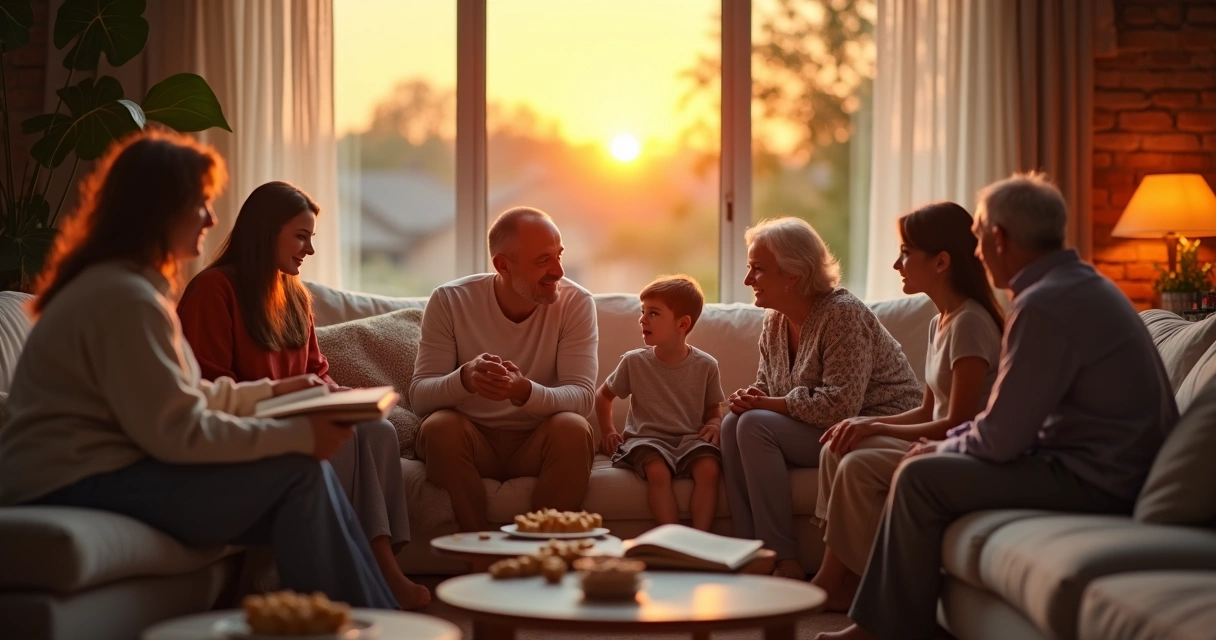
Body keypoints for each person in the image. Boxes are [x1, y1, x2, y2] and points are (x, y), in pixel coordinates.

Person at [0, 129, 397, 609]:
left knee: (303, 474)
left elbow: (188, 394)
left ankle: (359, 617)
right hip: (74, 479)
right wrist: (299, 437)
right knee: (300, 473)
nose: (211, 217)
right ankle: (365, 620)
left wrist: (273, 393)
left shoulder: (128, 289)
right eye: (200, 203)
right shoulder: (123, 299)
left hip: (98, 470)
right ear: (159, 209)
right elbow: (179, 432)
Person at [821, 172, 1178, 640]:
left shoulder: (1046, 304)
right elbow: (1014, 425)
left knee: (919, 476)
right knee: (917, 467)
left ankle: (886, 628)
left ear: (1000, 238)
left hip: (1097, 480)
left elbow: (1000, 435)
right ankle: (883, 617)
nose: (976, 250)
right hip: (1100, 467)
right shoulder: (1079, 285)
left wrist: (941, 448)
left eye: (979, 237)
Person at [176, 181, 430, 609]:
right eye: (301, 236)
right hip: (249, 430)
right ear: (265, 232)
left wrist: (351, 401)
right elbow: (211, 386)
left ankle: (379, 561)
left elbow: (317, 374)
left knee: (379, 431)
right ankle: (379, 574)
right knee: (347, 439)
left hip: (296, 417)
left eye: (311, 238)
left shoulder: (294, 296)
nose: (309, 250)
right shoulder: (214, 290)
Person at [810, 202, 1004, 611]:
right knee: (837, 445)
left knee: (857, 463)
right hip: (935, 435)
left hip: (961, 450)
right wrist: (864, 421)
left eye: (905, 253)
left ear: (941, 261)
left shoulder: (971, 323)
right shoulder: (939, 321)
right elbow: (925, 409)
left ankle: (875, 595)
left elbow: (958, 421)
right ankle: (841, 580)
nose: (897, 264)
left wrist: (876, 429)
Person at [721, 217, 922, 581]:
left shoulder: (842, 314)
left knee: (751, 424)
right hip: (824, 426)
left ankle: (783, 559)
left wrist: (765, 406)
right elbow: (768, 386)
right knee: (733, 421)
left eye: (757, 270)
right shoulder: (774, 322)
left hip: (875, 429)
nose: (749, 280)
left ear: (792, 275)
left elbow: (840, 406)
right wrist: (754, 396)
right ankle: (749, 551)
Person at [409, 206, 598, 532]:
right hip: (472, 442)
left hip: (537, 444)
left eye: (559, 255)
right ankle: (477, 550)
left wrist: (524, 391)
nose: (559, 271)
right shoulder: (450, 301)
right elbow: (420, 398)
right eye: (543, 261)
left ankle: (542, 552)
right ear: (502, 266)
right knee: (438, 427)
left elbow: (582, 398)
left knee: (573, 428)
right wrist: (464, 379)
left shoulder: (576, 303)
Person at [596, 275, 725, 531]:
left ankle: (701, 540)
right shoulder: (633, 362)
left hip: (690, 440)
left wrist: (714, 424)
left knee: (709, 469)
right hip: (645, 439)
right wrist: (608, 430)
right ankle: (672, 538)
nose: (642, 319)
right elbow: (602, 396)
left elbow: (713, 410)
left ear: (683, 323)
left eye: (653, 313)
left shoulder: (706, 366)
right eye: (642, 312)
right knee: (657, 471)